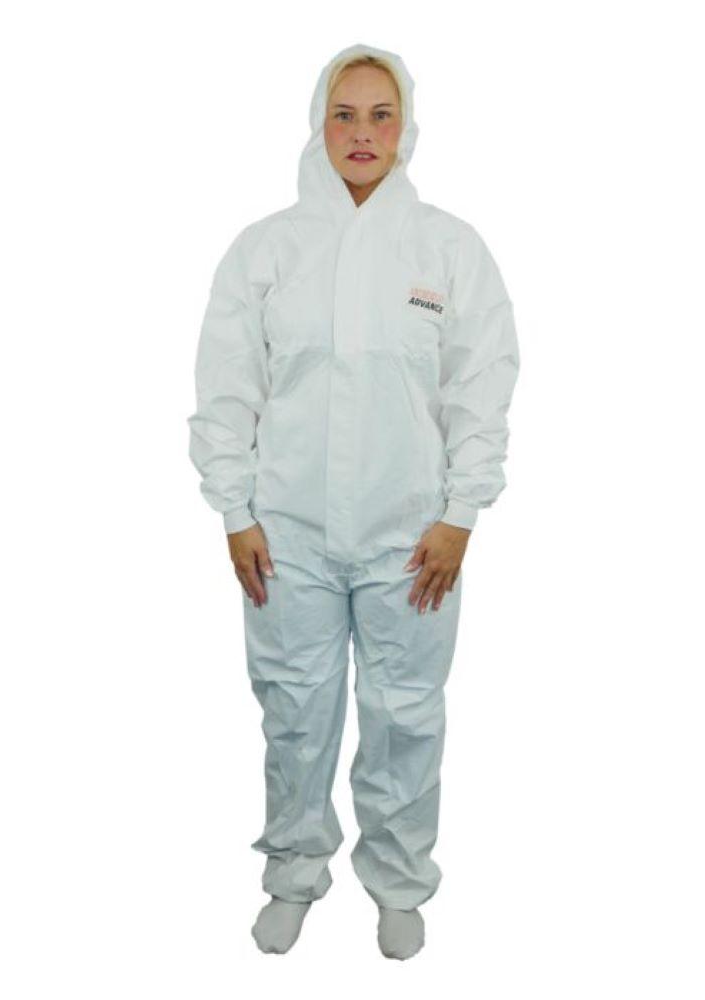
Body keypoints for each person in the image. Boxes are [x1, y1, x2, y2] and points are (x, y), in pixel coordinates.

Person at [187, 42, 520, 960]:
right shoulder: (267, 250)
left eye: (380, 115)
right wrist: (234, 511)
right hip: (285, 533)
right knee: (294, 712)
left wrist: (461, 514)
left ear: (406, 127)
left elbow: (482, 385)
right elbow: (228, 387)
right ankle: (294, 870)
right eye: (345, 114)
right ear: (318, 124)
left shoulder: (448, 249)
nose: (362, 133)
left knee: (405, 715)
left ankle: (399, 880)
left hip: (412, 536)